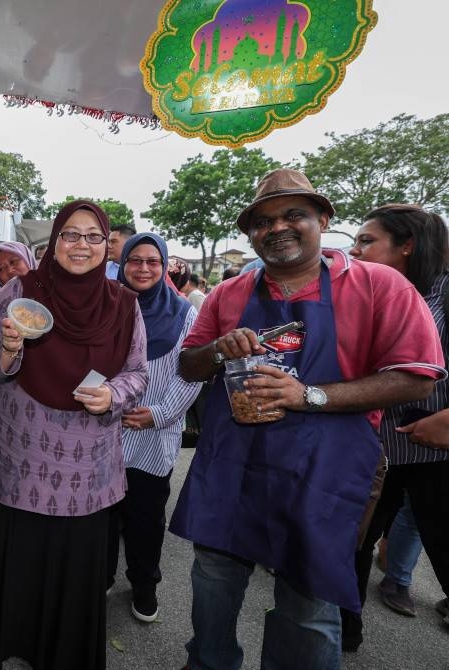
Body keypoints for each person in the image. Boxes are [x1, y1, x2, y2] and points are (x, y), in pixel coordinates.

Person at [169, 169, 444, 670]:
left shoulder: (379, 285)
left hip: (323, 468)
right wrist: (216, 351)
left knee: (309, 601)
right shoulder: (231, 292)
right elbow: (188, 364)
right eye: (263, 220)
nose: (277, 227)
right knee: (213, 580)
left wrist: (308, 394)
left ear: (322, 218)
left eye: (293, 214)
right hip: (234, 461)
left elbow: (417, 376)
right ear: (251, 232)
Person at [0, 200, 148, 670]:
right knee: (20, 557)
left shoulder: (124, 303)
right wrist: (8, 349)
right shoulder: (20, 291)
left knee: (71, 561)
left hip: (85, 468)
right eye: (70, 234)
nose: (81, 245)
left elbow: (137, 373)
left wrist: (113, 395)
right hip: (20, 455)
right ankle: (7, 645)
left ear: (107, 245)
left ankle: (61, 653)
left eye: (93, 236)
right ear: (54, 242)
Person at [341, 204, 449, 645]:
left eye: (368, 241)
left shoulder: (442, 293)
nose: (356, 250)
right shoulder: (363, 294)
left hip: (434, 450)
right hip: (373, 446)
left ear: (407, 246)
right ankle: (345, 628)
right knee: (354, 542)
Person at [109, 233, 203, 622]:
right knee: (101, 517)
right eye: (135, 260)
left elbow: (194, 375)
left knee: (145, 521)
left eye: (153, 261)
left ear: (164, 267)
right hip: (105, 432)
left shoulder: (185, 314)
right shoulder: (107, 306)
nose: (143, 268)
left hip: (153, 438)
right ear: (123, 263)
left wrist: (159, 413)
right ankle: (98, 576)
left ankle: (144, 584)